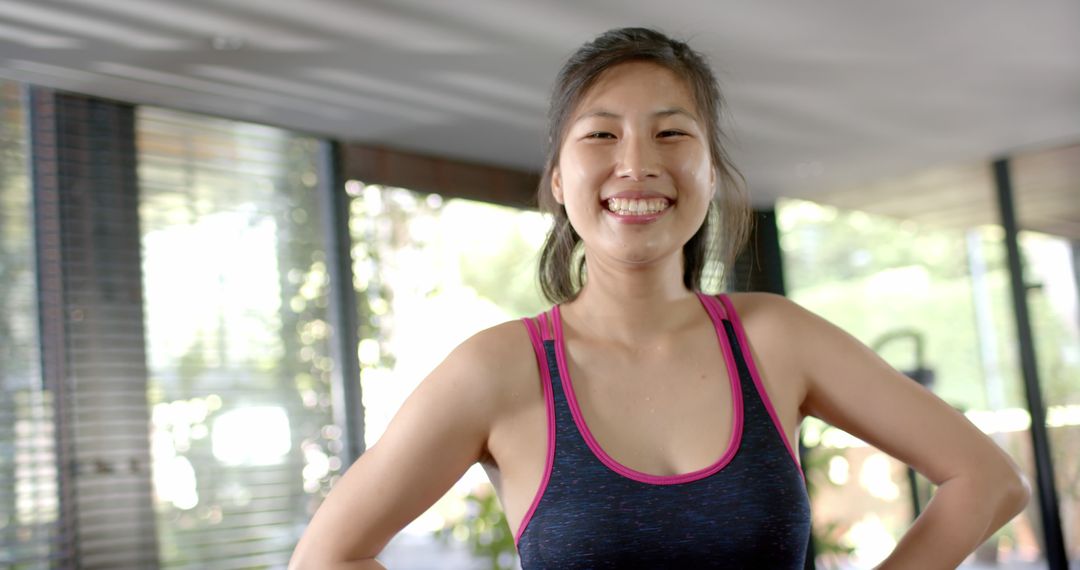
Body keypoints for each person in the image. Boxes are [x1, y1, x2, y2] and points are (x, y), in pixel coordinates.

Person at [289, 27, 1029, 569]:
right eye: (601, 135)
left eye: (671, 134)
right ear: (557, 180)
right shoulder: (498, 369)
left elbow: (987, 481)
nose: (636, 164)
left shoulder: (776, 338)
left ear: (710, 173)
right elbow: (327, 557)